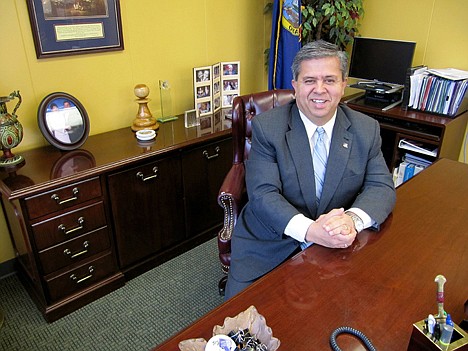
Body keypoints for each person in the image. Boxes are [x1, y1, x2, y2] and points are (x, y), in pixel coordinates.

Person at [224, 40, 396, 299]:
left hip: (337, 245)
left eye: (329, 80)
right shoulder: (267, 128)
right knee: (239, 326)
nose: (320, 90)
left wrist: (351, 220)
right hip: (269, 242)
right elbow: (263, 195)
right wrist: (310, 231)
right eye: (309, 80)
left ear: (343, 84)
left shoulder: (366, 129)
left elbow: (381, 186)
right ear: (295, 86)